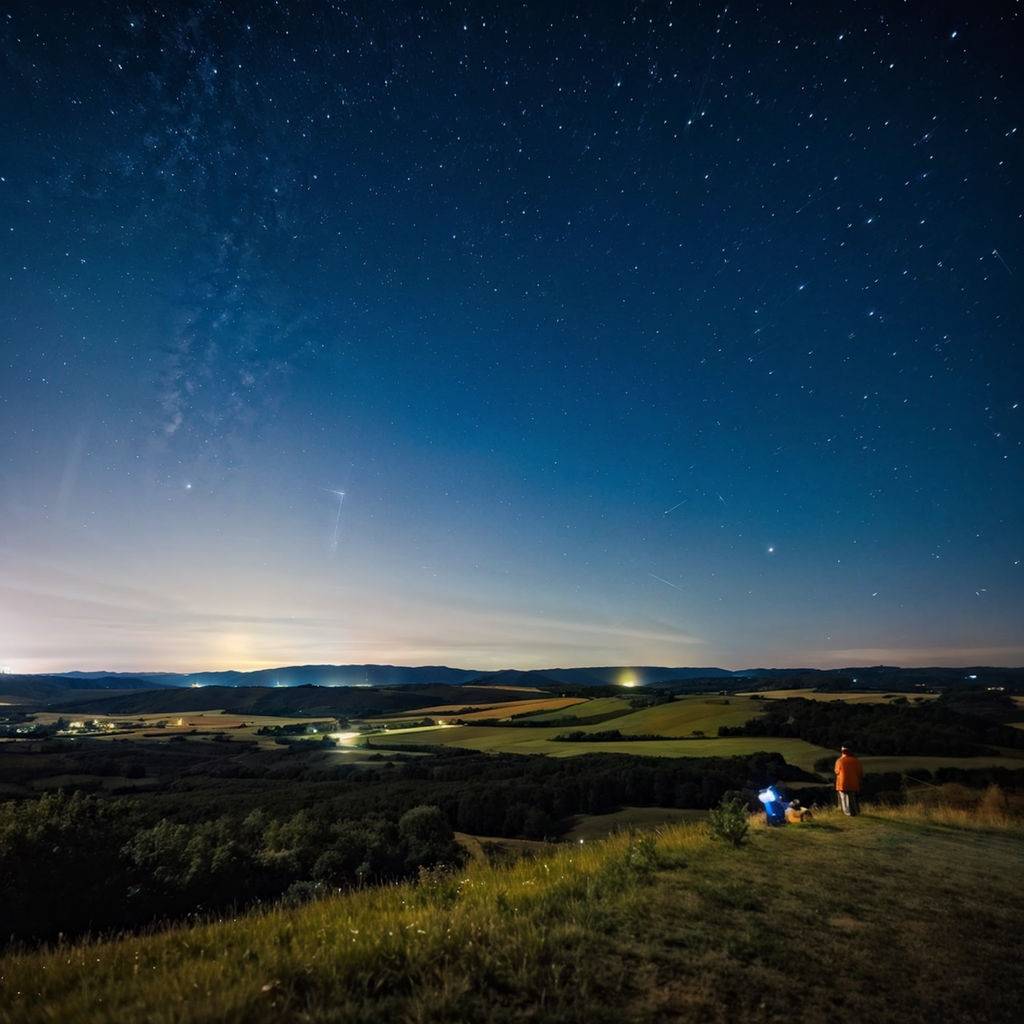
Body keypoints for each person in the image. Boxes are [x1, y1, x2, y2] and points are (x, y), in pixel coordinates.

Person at [834, 744, 864, 816]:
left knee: (843, 799)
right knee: (853, 798)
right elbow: (860, 773)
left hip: (842, 784)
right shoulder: (856, 761)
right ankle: (855, 812)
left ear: (842, 752)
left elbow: (836, 771)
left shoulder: (839, 761)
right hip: (854, 784)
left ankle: (847, 813)